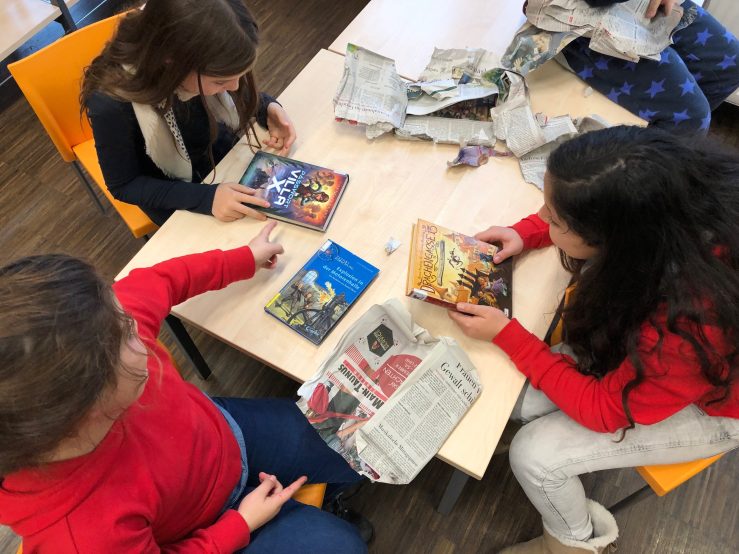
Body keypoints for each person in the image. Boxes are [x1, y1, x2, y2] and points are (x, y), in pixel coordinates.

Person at [448, 126, 739, 553]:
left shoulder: (692, 321)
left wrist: (511, 337)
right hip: (655, 349)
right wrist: (528, 232)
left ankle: (571, 544)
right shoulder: (673, 194)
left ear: (612, 241)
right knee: (518, 398)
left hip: (716, 407)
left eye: (555, 220)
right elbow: (597, 206)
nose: (544, 218)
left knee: (535, 455)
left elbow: (607, 410)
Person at [0, 221, 368, 553]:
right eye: (126, 333)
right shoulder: (83, 536)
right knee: (343, 545)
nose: (135, 321)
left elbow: (160, 280)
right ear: (87, 410)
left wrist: (243, 258)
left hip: (224, 433)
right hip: (208, 526)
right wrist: (238, 526)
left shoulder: (96, 331)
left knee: (356, 440)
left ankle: (327, 498)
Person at [81, 0, 297, 226]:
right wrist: (207, 198)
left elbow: (232, 89)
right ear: (172, 63)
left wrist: (266, 107)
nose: (234, 87)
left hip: (218, 155)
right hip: (174, 193)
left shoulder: (197, 57)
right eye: (220, 81)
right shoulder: (111, 104)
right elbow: (124, 184)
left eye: (240, 75)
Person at [550, 0, 739, 132]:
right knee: (692, 117)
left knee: (732, 65)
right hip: (577, 15)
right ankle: (640, 166)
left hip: (632, 5)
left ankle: (664, 145)